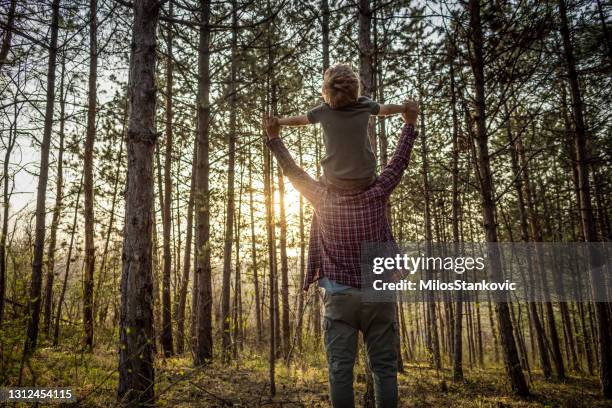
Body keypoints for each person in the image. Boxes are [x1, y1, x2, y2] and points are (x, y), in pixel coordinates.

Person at [263, 100, 420, 408]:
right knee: (385, 371)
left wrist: (273, 138)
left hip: (339, 296)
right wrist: (410, 123)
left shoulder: (321, 197)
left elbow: (293, 171)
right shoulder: (377, 194)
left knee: (339, 371)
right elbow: (398, 162)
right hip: (379, 294)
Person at [270, 63, 408, 190]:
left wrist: (279, 122)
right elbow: (386, 109)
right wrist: (404, 108)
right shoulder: (364, 104)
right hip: (365, 178)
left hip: (334, 181)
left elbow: (299, 120)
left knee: (321, 198)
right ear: (355, 87)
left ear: (326, 90)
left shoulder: (323, 111)